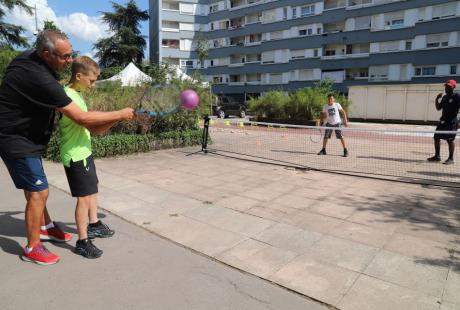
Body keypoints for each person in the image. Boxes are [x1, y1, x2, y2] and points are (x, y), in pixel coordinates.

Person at [0, 30, 135, 265]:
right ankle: (32, 247)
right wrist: (121, 113)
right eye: (64, 57)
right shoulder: (42, 80)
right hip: (14, 137)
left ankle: (46, 225)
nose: (69, 61)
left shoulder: (28, 58)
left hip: (28, 137)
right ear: (46, 54)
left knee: (33, 187)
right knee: (39, 191)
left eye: (71, 54)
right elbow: (82, 119)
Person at [60, 56, 119, 258]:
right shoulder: (66, 95)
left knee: (92, 191)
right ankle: (82, 241)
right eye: (91, 80)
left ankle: (93, 225)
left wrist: (117, 118)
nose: (93, 85)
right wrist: (118, 113)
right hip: (75, 157)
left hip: (85, 152)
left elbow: (93, 130)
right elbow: (85, 119)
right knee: (83, 199)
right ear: (78, 76)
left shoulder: (78, 94)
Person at [427, 79, 460, 165]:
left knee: (450, 140)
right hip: (443, 121)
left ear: (453, 87)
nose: (446, 88)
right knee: (436, 138)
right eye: (446, 86)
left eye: (449, 86)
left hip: (452, 122)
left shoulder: (457, 96)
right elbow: (438, 108)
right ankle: (437, 156)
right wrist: (436, 99)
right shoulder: (445, 97)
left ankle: (451, 158)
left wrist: (459, 122)